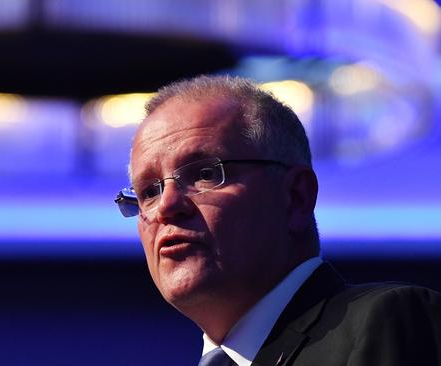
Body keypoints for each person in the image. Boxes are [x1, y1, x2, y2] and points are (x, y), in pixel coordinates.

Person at [114, 75, 441, 366]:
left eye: (205, 174)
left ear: (296, 197)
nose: (167, 206)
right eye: (148, 191)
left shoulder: (386, 320)